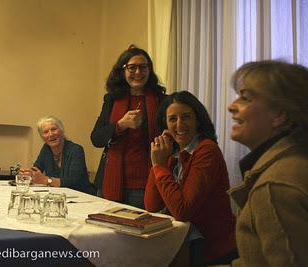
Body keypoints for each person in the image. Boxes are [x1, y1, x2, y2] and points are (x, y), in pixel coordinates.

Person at [227, 60, 308, 266]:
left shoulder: (274, 187)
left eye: (245, 98)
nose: (231, 106)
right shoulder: (296, 160)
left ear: (279, 114)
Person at [144, 91, 237, 265]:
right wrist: (157, 163)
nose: (179, 124)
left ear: (197, 120)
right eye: (172, 119)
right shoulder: (174, 154)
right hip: (185, 245)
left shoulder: (207, 150)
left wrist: (158, 166)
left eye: (186, 117)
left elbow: (182, 210)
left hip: (214, 250)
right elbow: (152, 205)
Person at [90, 45, 166, 209]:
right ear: (122, 71)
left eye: (143, 67)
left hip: (145, 183)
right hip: (110, 180)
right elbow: (96, 138)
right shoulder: (111, 99)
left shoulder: (161, 100)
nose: (138, 72)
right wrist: (120, 125)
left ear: (149, 70)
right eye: (132, 67)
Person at [22, 115, 95, 194]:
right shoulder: (46, 149)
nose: (51, 134)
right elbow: (37, 168)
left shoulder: (76, 150)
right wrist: (28, 174)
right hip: (57, 195)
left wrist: (45, 180)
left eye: (53, 129)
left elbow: (74, 181)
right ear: (42, 137)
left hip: (81, 196)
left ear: (61, 131)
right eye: (46, 132)